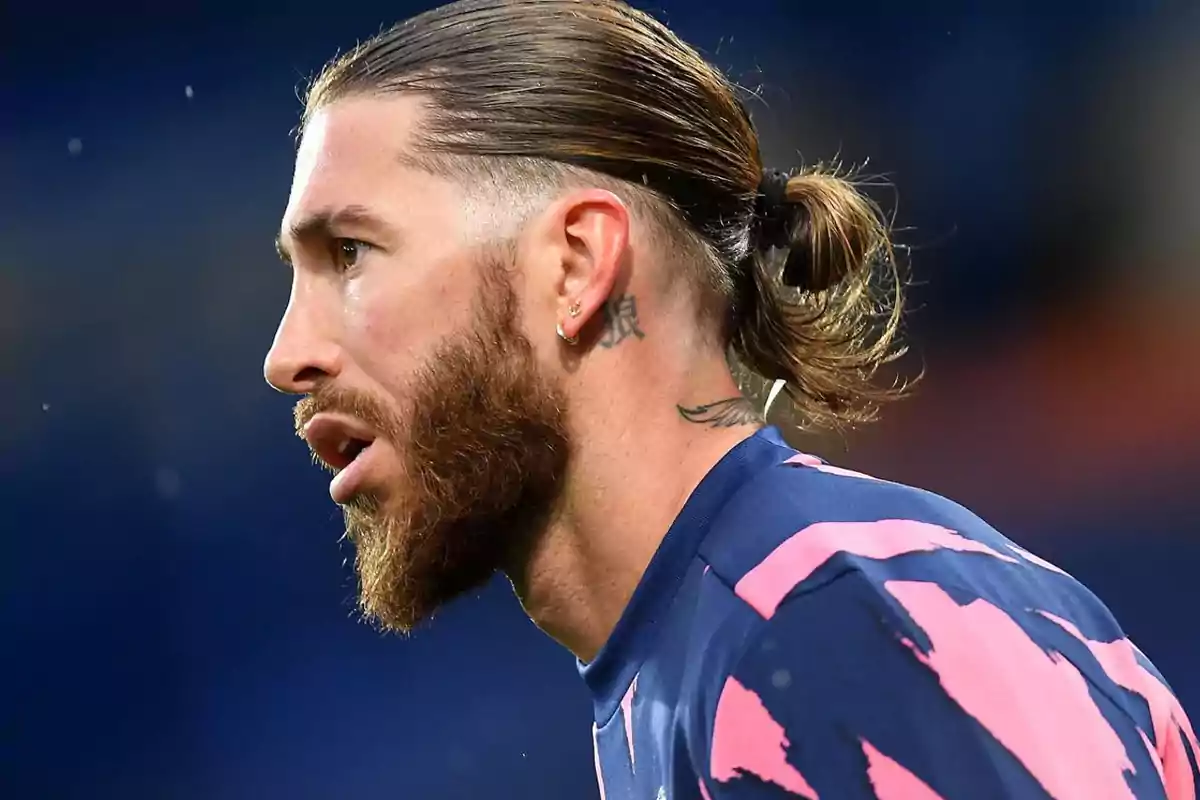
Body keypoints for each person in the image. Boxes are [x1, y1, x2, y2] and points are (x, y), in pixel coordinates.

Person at [263, 1, 1197, 797]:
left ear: (577, 266)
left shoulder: (841, 631)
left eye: (350, 253)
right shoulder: (698, 664)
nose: (285, 356)